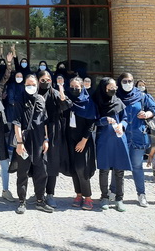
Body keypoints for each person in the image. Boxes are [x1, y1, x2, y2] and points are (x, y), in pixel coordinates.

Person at [10, 74, 53, 215]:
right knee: (23, 173)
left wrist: (46, 139)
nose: (31, 87)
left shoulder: (40, 99)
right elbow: (16, 123)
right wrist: (19, 142)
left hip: (39, 141)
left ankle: (40, 200)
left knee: (41, 172)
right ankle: (22, 201)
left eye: (33, 84)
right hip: (25, 141)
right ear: (24, 85)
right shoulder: (19, 99)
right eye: (28, 84)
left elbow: (44, 120)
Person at [116, 72, 155, 207]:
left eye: (130, 81)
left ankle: (141, 194)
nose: (127, 84)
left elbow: (154, 109)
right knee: (118, 167)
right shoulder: (116, 96)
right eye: (124, 81)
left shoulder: (141, 96)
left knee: (137, 166)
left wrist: (146, 114)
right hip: (120, 136)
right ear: (120, 82)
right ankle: (113, 193)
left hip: (138, 135)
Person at [93, 78, 132, 212]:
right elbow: (94, 121)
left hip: (118, 140)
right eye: (110, 87)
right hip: (104, 140)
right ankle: (104, 197)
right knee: (104, 170)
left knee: (119, 171)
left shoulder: (118, 101)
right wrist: (104, 120)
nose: (113, 90)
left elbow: (125, 118)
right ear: (104, 88)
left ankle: (119, 199)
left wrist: (122, 125)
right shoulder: (97, 102)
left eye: (115, 87)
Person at [64, 77, 98, 210]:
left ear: (82, 87)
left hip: (83, 141)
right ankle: (78, 195)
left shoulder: (88, 102)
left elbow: (91, 124)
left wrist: (84, 140)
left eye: (77, 87)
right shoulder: (68, 101)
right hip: (70, 140)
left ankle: (88, 197)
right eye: (71, 86)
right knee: (73, 168)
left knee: (81, 168)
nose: (74, 89)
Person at [37, 69, 69, 208]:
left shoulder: (54, 93)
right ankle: (39, 193)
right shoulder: (35, 93)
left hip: (54, 131)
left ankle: (50, 193)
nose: (46, 82)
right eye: (42, 80)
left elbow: (66, 105)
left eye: (48, 80)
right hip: (38, 130)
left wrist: (62, 94)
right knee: (39, 162)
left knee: (52, 162)